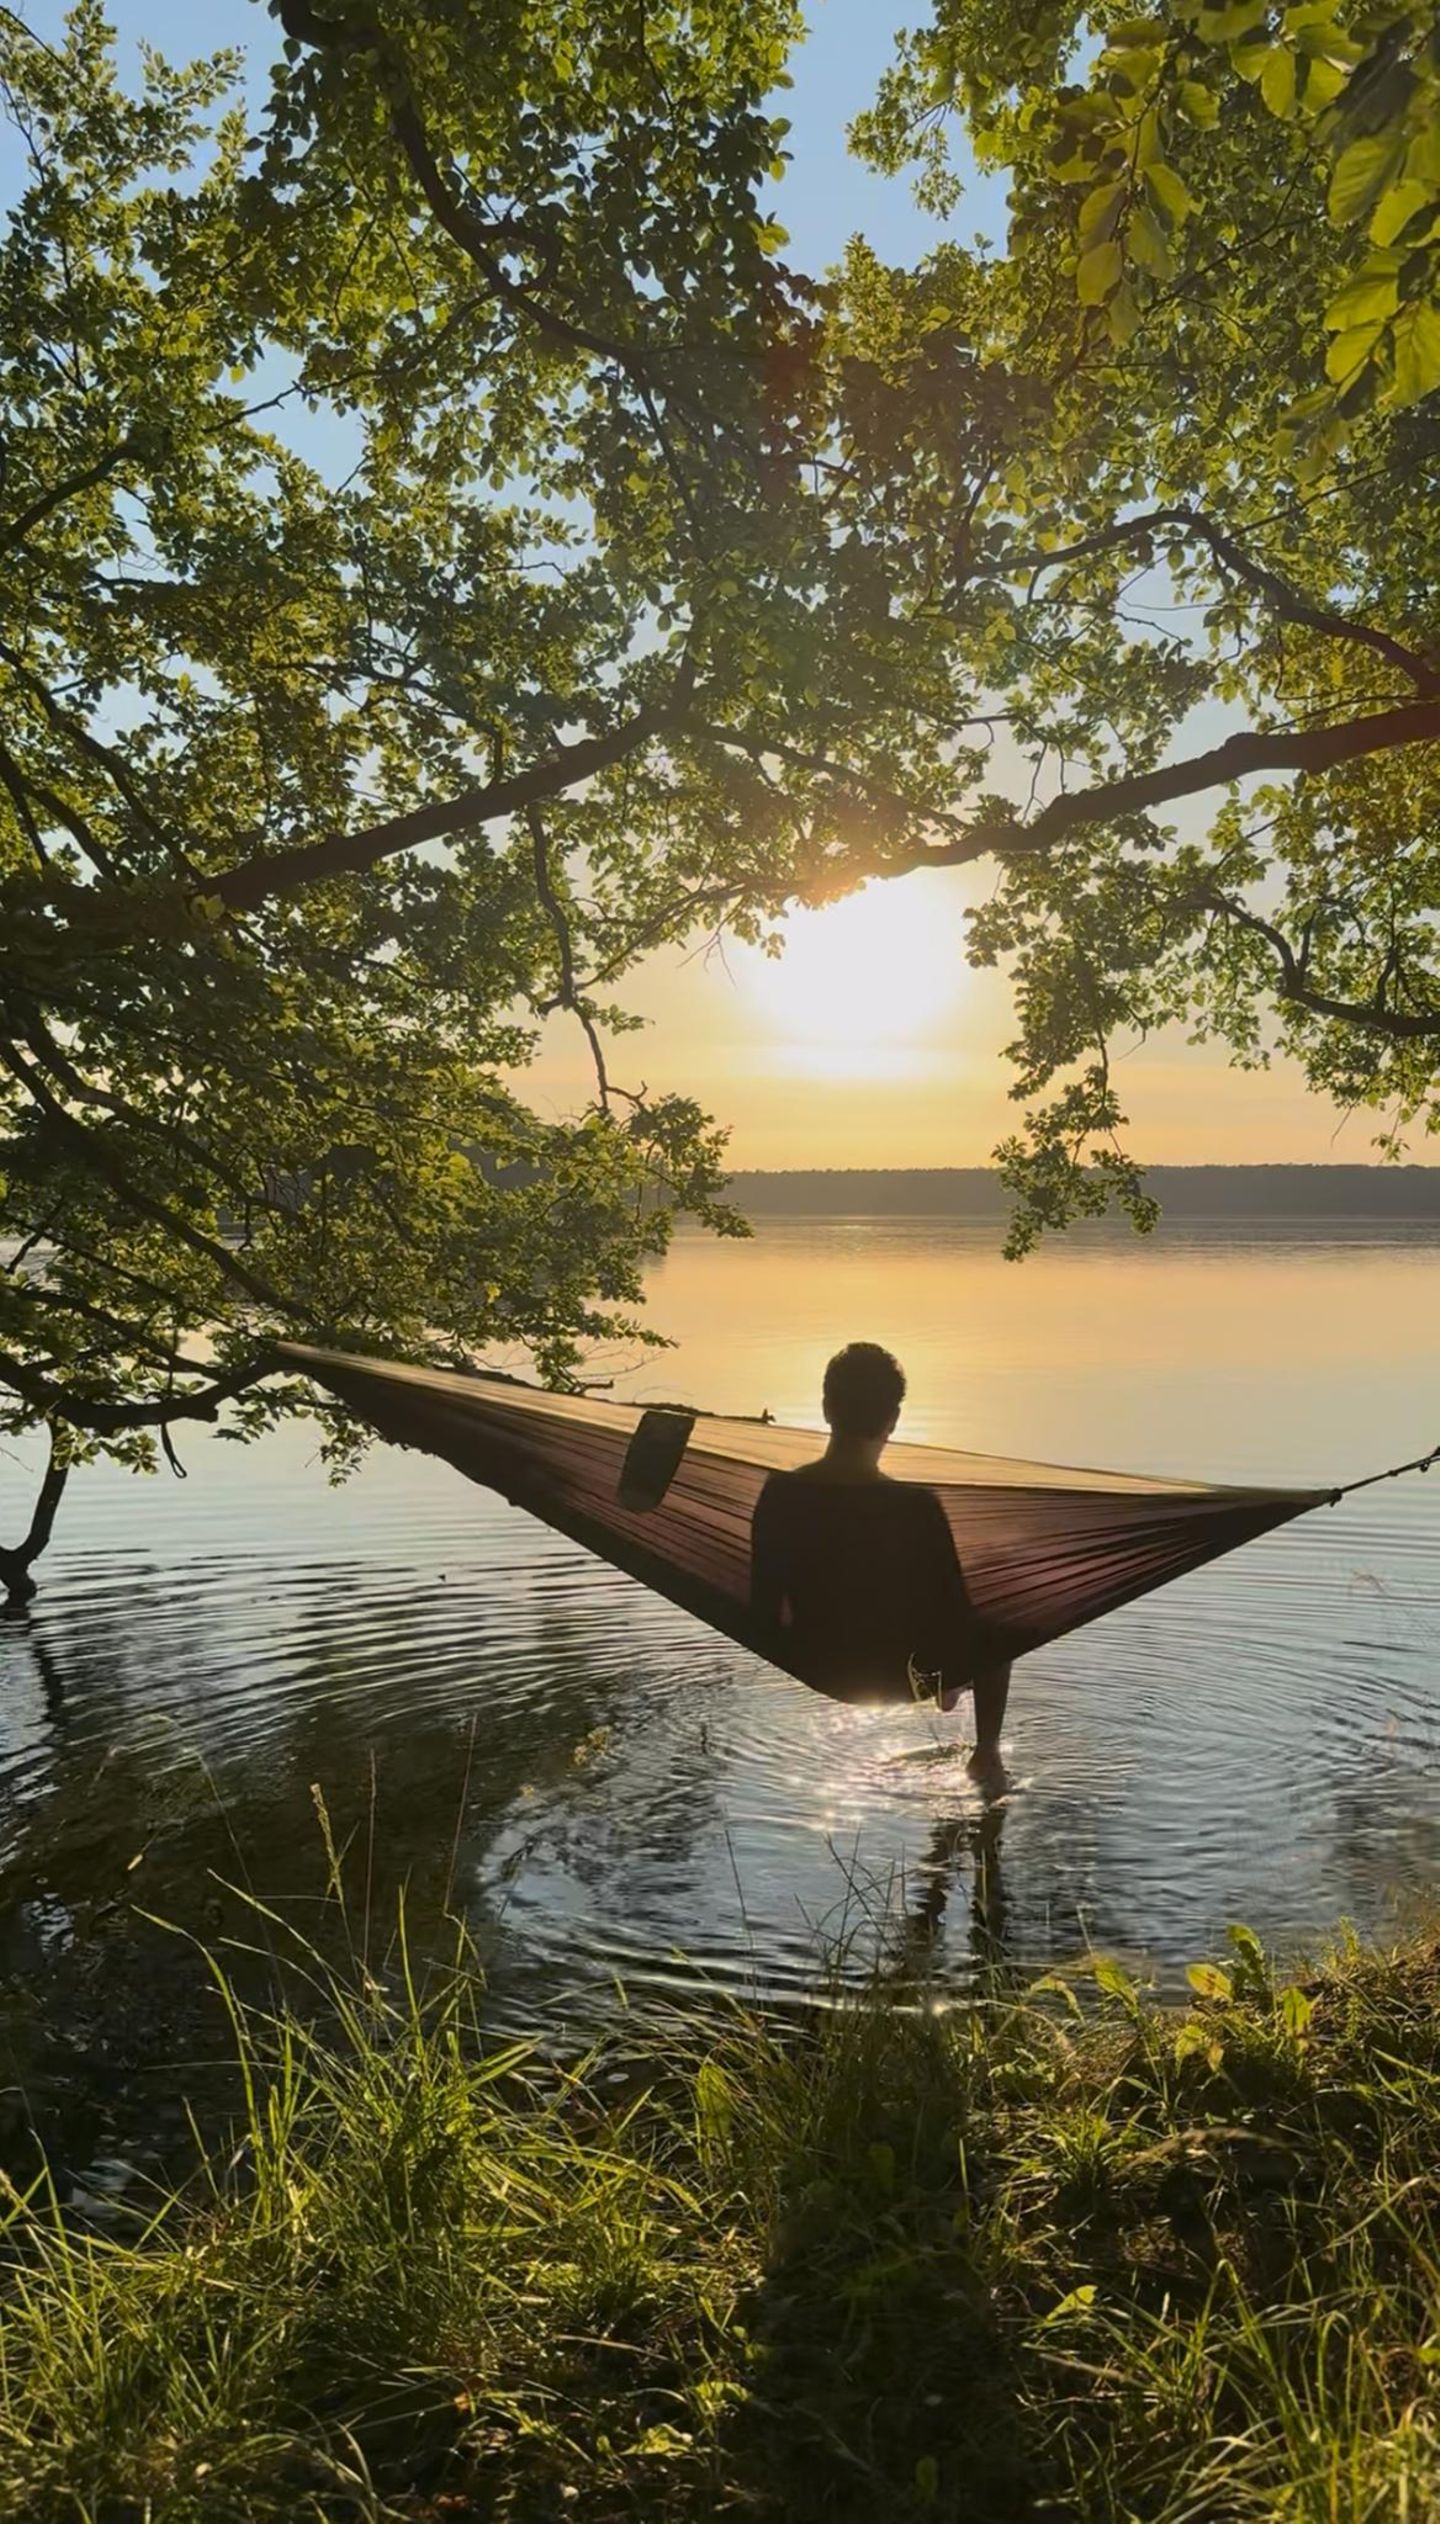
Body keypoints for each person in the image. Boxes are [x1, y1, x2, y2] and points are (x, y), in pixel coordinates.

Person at [749, 1342, 1010, 1782]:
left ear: (827, 1408)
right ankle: (986, 1756)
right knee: (1005, 1626)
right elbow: (956, 1608)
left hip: (819, 1660)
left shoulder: (779, 1494)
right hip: (906, 1670)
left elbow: (762, 1610)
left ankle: (953, 1688)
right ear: (894, 1420)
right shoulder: (916, 1506)